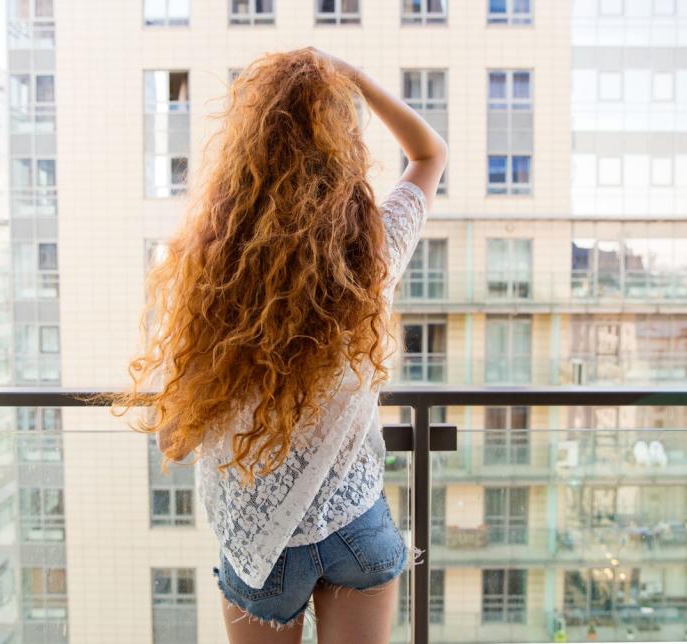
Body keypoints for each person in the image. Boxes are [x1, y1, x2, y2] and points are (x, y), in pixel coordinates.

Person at [97, 47, 447, 644]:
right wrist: (355, 79)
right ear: (342, 148)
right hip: (355, 530)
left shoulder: (204, 273)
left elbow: (175, 437)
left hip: (260, 550)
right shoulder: (373, 255)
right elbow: (428, 154)